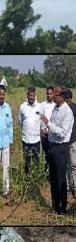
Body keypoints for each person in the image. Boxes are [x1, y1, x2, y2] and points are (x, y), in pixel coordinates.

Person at [40, 85, 74, 215]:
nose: (53, 96)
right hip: (52, 146)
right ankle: (55, 205)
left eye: (56, 94)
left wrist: (48, 124)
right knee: (52, 178)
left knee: (61, 179)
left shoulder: (67, 112)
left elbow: (62, 133)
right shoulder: (55, 108)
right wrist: (48, 132)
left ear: (63, 97)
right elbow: (54, 129)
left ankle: (62, 207)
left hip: (61, 149)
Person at [18, 86, 42, 175]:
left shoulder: (39, 107)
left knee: (37, 162)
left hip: (36, 140)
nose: (31, 97)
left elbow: (41, 122)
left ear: (35, 96)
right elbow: (21, 121)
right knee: (26, 162)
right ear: (27, 95)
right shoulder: (22, 107)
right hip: (26, 140)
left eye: (33, 96)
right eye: (30, 95)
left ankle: (36, 179)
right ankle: (27, 179)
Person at [40, 86, 56, 172]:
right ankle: (45, 172)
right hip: (45, 134)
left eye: (50, 94)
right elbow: (40, 118)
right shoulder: (43, 105)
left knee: (52, 153)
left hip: (53, 133)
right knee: (45, 153)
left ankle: (52, 171)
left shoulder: (56, 105)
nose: (49, 95)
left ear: (53, 94)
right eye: (47, 94)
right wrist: (43, 129)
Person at [64, 89, 76, 198]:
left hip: (73, 140)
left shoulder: (74, 108)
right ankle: (68, 186)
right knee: (66, 164)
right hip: (64, 140)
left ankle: (75, 186)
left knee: (74, 164)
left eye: (68, 101)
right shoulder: (62, 109)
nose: (67, 103)